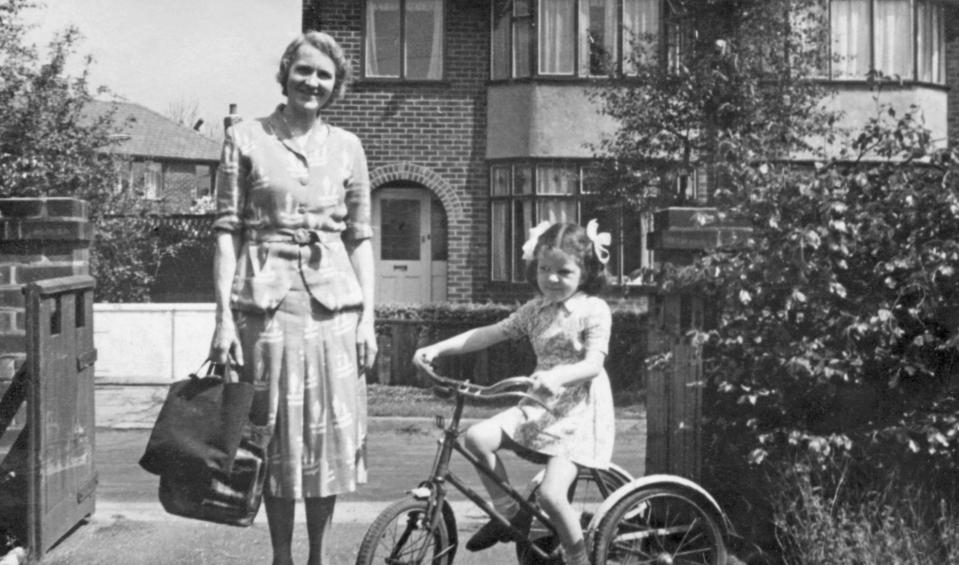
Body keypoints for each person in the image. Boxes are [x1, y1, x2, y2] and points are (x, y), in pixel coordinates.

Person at [208, 31, 376, 565]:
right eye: (304, 70)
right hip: (266, 309)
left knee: (325, 442)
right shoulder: (246, 138)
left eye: (324, 75)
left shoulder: (348, 146)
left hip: (334, 313)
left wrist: (370, 318)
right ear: (286, 73)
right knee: (274, 441)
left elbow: (361, 237)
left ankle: (319, 557)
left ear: (336, 86)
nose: (313, 82)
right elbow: (227, 230)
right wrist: (223, 320)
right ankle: (282, 557)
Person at [413, 220, 615, 565]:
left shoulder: (593, 309)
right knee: (477, 437)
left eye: (563, 271)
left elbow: (593, 364)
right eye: (544, 269)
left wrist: (560, 376)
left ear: (584, 272)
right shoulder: (535, 310)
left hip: (579, 415)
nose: (551, 278)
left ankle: (579, 558)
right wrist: (437, 349)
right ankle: (509, 513)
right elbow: (491, 333)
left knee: (552, 496)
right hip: (539, 406)